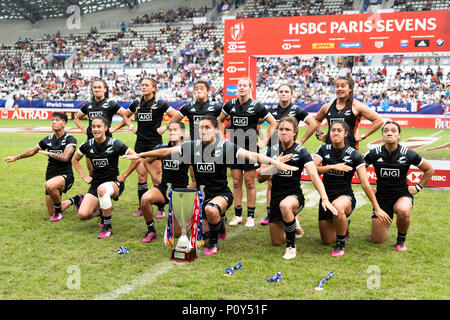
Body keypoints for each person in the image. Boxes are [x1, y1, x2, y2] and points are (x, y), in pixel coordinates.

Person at [126, 116, 297, 255]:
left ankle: (214, 242)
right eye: (201, 128)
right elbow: (165, 152)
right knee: (185, 234)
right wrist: (141, 154)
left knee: (211, 212)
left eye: (207, 127)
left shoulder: (225, 147)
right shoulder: (192, 146)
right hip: (201, 196)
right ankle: (219, 224)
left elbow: (251, 155)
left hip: (221, 194)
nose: (204, 131)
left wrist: (275, 162)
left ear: (216, 130)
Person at [257, 117, 337, 260]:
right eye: (280, 129)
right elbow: (260, 177)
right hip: (275, 198)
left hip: (294, 197)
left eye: (287, 129)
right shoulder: (273, 150)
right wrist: (275, 164)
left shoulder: (301, 152)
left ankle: (291, 247)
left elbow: (314, 176)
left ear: (294, 133)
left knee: (285, 206)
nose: (283, 132)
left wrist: (324, 197)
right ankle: (293, 222)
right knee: (276, 242)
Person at [313, 121, 391, 257]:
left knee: (338, 207)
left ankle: (340, 245)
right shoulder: (323, 150)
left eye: (339, 130)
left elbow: (365, 183)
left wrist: (377, 207)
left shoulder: (354, 155)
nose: (335, 133)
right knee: (326, 241)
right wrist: (332, 167)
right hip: (326, 197)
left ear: (346, 134)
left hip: (345, 197)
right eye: (333, 130)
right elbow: (313, 170)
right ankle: (344, 222)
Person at [111, 77, 181, 219]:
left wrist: (165, 128)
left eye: (146, 85)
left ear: (154, 88)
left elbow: (175, 115)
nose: (143, 87)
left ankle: (160, 207)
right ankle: (142, 206)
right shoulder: (137, 103)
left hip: (155, 145)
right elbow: (125, 115)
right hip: (140, 144)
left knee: (156, 177)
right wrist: (129, 126)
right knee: (141, 176)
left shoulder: (160, 103)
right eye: (142, 85)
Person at [364, 121, 434, 251]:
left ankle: (401, 240)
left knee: (403, 210)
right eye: (386, 131)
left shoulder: (408, 153)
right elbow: (359, 170)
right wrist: (368, 188)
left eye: (393, 131)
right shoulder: (373, 153)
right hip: (382, 198)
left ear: (399, 135)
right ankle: (387, 219)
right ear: (382, 135)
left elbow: (429, 170)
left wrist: (418, 187)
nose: (389, 133)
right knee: (377, 240)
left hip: (402, 195)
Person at [218, 77, 277, 228]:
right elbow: (220, 120)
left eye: (245, 85)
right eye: (240, 85)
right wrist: (221, 138)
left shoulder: (257, 106)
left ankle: (250, 216)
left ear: (251, 88)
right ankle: (238, 215)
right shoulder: (230, 104)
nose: (242, 87)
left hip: (250, 149)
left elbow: (273, 122)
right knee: (236, 182)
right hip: (233, 149)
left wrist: (264, 141)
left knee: (250, 183)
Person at [4, 112, 82, 222]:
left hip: (65, 175)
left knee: (49, 186)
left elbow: (65, 157)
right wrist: (17, 157)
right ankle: (76, 199)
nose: (53, 122)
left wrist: (50, 153)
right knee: (51, 211)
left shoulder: (70, 139)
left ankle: (59, 213)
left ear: (64, 123)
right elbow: (32, 151)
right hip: (51, 175)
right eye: (52, 120)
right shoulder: (48, 139)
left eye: (57, 120)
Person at [125, 121, 194, 243]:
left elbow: (193, 171)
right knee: (145, 199)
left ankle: (193, 220)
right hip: (164, 188)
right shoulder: (161, 146)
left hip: (180, 190)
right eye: (170, 130)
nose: (171, 132)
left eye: (175, 130)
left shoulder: (186, 149)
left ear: (182, 133)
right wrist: (155, 176)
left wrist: (192, 184)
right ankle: (151, 231)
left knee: (177, 234)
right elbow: (146, 162)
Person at [260, 83, 318, 226]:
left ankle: (292, 211)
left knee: (290, 179)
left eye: (286, 91)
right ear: (277, 94)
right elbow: (255, 121)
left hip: (290, 149)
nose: (283, 94)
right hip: (273, 149)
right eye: (281, 91)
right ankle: (270, 213)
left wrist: (302, 140)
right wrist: (263, 138)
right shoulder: (272, 110)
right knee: (271, 182)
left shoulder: (297, 110)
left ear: (291, 94)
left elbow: (313, 124)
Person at [72, 116, 139, 239]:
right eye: (93, 127)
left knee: (103, 189)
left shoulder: (115, 143)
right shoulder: (87, 144)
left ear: (106, 128)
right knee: (82, 215)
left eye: (99, 126)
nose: (96, 129)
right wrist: (84, 176)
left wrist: (124, 175)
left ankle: (107, 227)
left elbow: (136, 157)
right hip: (96, 183)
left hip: (114, 183)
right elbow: (75, 159)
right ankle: (104, 211)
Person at [74, 78, 131, 176]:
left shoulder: (111, 103)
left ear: (105, 89)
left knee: (108, 172)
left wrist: (115, 128)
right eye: (94, 87)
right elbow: (76, 118)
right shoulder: (88, 105)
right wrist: (83, 128)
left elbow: (127, 115)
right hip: (90, 143)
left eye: (99, 87)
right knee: (92, 172)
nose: (97, 89)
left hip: (107, 143)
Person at [314, 76, 383, 150]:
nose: (339, 89)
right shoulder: (327, 106)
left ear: (350, 89)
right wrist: (319, 133)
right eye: (337, 86)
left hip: (351, 151)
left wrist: (362, 136)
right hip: (330, 150)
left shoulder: (357, 106)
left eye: (343, 86)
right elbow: (317, 119)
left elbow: (378, 121)